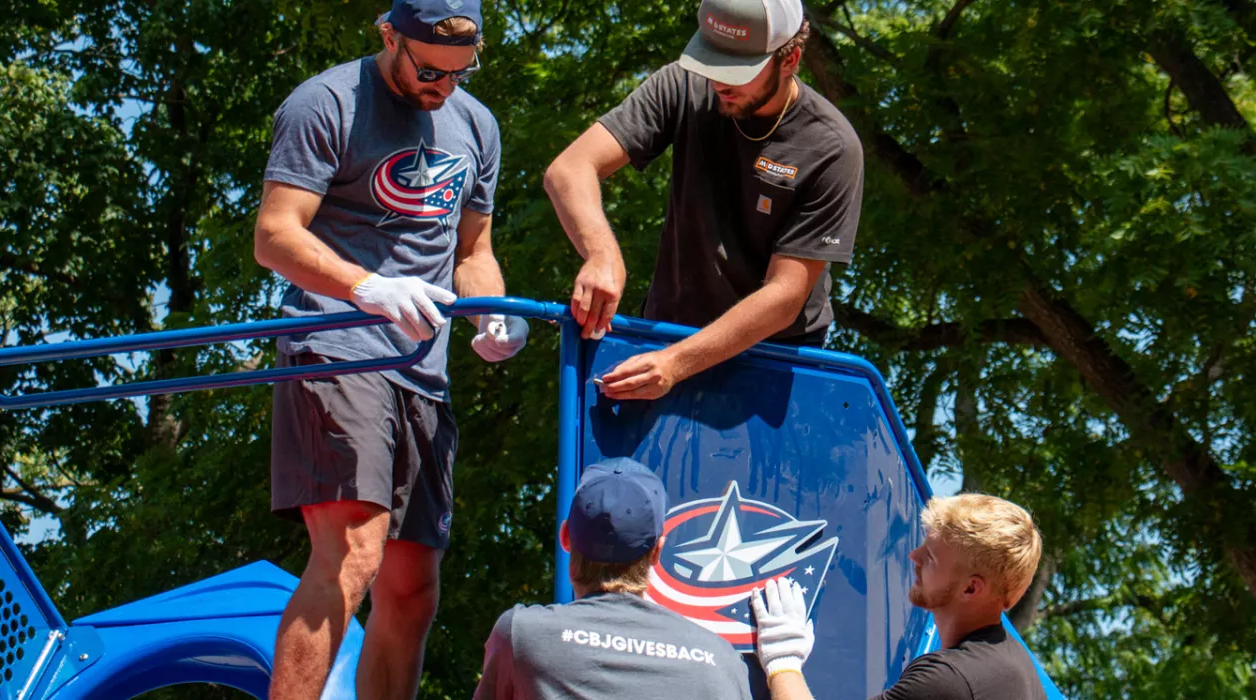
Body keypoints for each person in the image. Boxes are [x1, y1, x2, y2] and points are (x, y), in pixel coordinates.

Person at [251, 0, 527, 696]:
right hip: (336, 341)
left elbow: (474, 253)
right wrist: (366, 286)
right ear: (388, 36)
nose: (443, 86)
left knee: (411, 588)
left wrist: (491, 317)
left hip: (421, 370)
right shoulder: (326, 102)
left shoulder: (477, 126)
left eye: (460, 73)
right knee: (353, 552)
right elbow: (275, 236)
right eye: (429, 69)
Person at [542, 0, 865, 401]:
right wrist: (601, 254)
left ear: (790, 59)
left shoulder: (831, 147)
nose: (717, 82)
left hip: (771, 361)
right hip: (664, 340)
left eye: (736, 71)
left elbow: (785, 296)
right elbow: (569, 169)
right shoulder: (681, 85)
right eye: (711, 61)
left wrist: (677, 363)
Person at [472, 458, 754, 700]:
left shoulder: (522, 635)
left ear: (566, 537)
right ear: (657, 551)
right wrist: (783, 667)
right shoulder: (722, 661)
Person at [751, 494, 1049, 700]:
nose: (913, 556)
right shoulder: (1018, 669)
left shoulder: (952, 679)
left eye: (931, 557)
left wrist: (783, 660)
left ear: (971, 589)